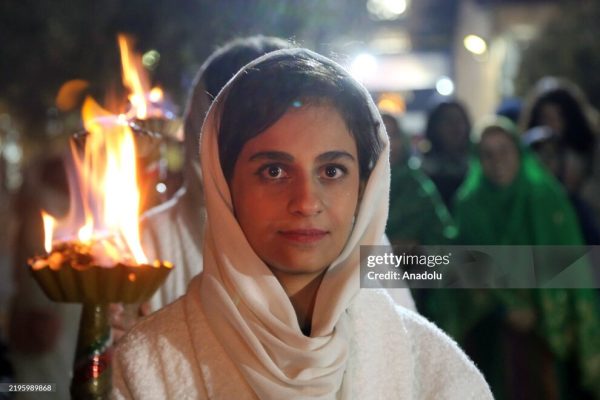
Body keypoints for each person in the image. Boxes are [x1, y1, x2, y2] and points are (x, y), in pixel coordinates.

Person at [112, 48, 492, 399]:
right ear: (223, 185)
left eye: (331, 170)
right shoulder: (146, 366)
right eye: (274, 171)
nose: (306, 202)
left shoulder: (433, 367)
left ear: (366, 187)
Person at [448, 116, 600, 399]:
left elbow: (572, 269)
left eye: (504, 150)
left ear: (519, 152)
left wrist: (537, 312)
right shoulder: (469, 205)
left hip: (547, 331)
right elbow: (461, 274)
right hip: (491, 333)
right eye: (487, 154)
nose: (497, 161)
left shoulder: (546, 198)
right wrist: (506, 308)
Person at [140, 35, 295, 312]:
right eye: (241, 127)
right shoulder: (147, 240)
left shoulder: (347, 231)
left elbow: (390, 331)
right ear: (201, 129)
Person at [382, 112, 457, 246]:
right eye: (379, 135)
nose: (388, 143)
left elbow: (442, 235)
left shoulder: (416, 185)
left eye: (393, 135)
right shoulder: (356, 185)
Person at [421, 100, 472, 208]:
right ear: (434, 127)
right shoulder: (422, 174)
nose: (455, 127)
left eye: (459, 121)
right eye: (448, 121)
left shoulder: (477, 168)